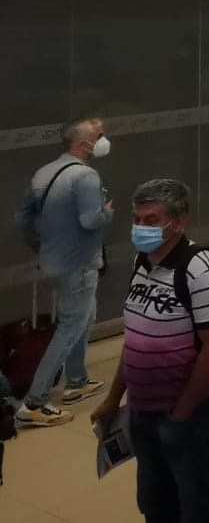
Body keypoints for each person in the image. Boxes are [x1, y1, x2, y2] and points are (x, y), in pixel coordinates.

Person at [92, 178, 209, 523]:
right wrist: (114, 398)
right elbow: (136, 337)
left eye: (151, 220)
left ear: (179, 221)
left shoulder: (201, 268)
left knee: (199, 506)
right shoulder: (143, 262)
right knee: (155, 504)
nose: (140, 227)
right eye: (137, 219)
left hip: (187, 415)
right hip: (142, 413)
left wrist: (182, 411)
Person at [14, 118, 114, 427]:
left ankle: (77, 380)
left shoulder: (44, 173)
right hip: (79, 263)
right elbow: (89, 220)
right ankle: (34, 403)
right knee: (71, 325)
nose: (103, 139)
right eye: (99, 135)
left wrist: (42, 247)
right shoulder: (85, 176)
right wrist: (107, 213)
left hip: (55, 261)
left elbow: (21, 219)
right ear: (84, 143)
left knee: (85, 317)